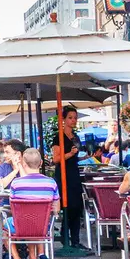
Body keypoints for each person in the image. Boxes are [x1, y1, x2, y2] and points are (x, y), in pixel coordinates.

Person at [7, 148, 60, 259]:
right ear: (41, 163)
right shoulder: (51, 183)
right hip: (42, 227)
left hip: (21, 226)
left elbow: (12, 207)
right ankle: (33, 258)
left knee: (5, 227)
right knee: (34, 220)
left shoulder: (16, 183)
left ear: (23, 163)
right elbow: (56, 208)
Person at [51, 106, 87, 251]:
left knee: (76, 207)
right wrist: (70, 155)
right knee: (67, 205)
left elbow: (75, 158)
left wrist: (84, 156)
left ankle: (75, 239)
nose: (73, 121)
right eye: (70, 118)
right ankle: (66, 236)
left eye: (75, 118)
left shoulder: (76, 137)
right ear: (64, 119)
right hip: (64, 174)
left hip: (74, 173)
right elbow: (56, 159)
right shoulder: (58, 137)